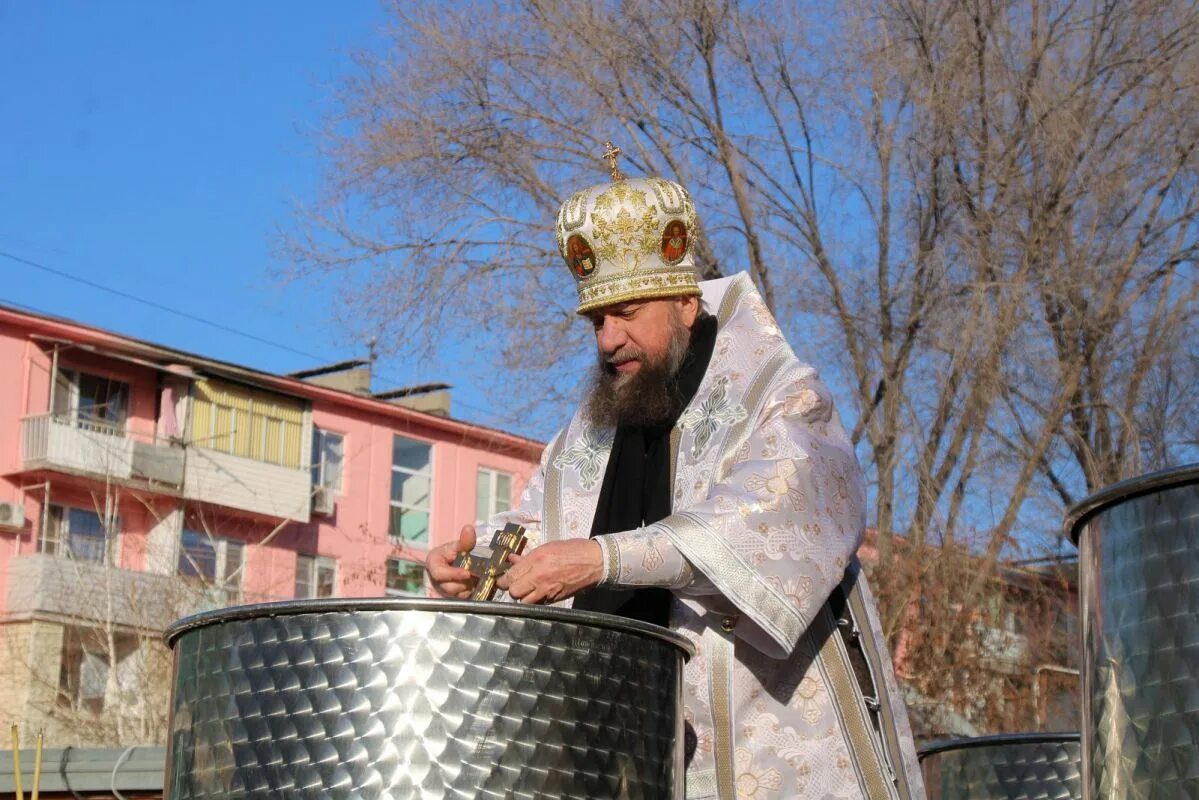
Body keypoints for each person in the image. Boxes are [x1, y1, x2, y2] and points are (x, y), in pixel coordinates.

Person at [429, 170, 925, 800]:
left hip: (760, 731)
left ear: (685, 302)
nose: (609, 340)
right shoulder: (592, 428)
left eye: (627, 314)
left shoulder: (783, 397)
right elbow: (539, 532)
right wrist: (474, 569)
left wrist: (601, 560)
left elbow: (755, 524)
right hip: (617, 746)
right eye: (596, 322)